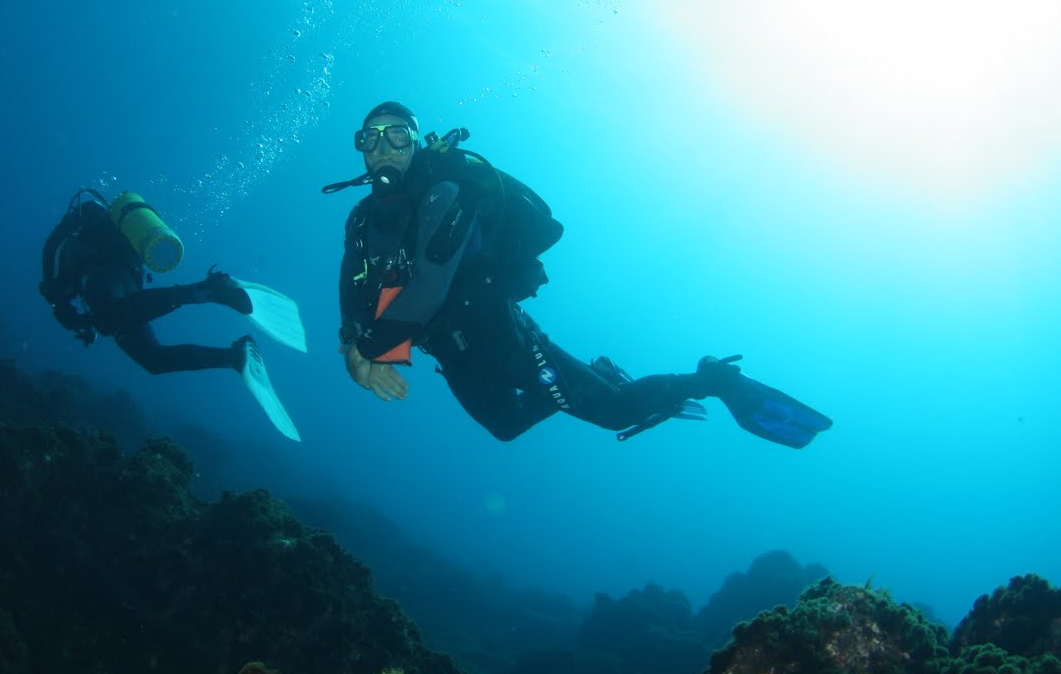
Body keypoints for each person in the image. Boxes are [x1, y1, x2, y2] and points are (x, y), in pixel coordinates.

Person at [328, 103, 831, 447]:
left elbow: (430, 287)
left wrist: (368, 351)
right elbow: (352, 288)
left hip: (503, 338)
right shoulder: (361, 221)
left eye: (398, 135)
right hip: (450, 351)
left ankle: (712, 380)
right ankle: (600, 375)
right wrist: (355, 341)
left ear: (417, 143)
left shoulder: (445, 194)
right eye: (369, 138)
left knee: (615, 411)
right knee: (504, 427)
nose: (383, 148)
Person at [39, 188, 306, 440]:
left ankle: (209, 291)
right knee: (152, 359)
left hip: (104, 277)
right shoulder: (96, 231)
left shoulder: (72, 234)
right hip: (125, 280)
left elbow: (52, 262)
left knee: (112, 320)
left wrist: (60, 305)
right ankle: (234, 356)